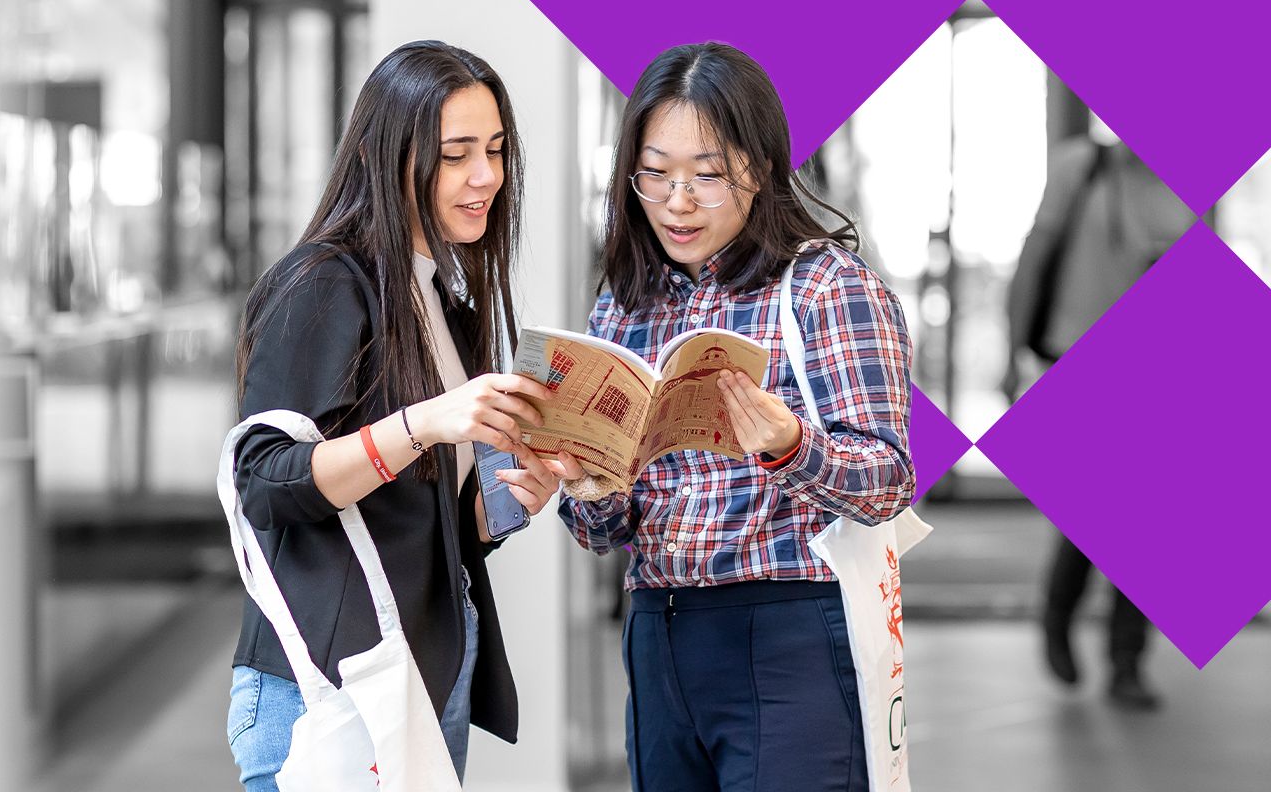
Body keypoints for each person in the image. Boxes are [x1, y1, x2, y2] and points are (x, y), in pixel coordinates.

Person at [556, 42, 915, 792]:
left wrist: (791, 448)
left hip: (787, 634)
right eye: (655, 173)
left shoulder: (826, 289)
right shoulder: (626, 305)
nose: (677, 201)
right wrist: (588, 484)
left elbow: (888, 482)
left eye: (707, 174)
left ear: (759, 168)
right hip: (657, 633)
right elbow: (605, 535)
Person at [226, 40, 563, 789]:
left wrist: (512, 501)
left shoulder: (440, 300)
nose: (486, 178)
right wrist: (425, 423)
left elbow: (419, 519)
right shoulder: (324, 283)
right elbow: (266, 485)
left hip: (423, 670)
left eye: (498, 150)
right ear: (393, 156)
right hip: (328, 686)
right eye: (457, 155)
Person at [1005, 115, 1192, 711]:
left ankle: (1125, 661)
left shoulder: (1180, 187)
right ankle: (1065, 620)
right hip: (1074, 356)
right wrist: (1012, 351)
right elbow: (1034, 260)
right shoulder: (1078, 167)